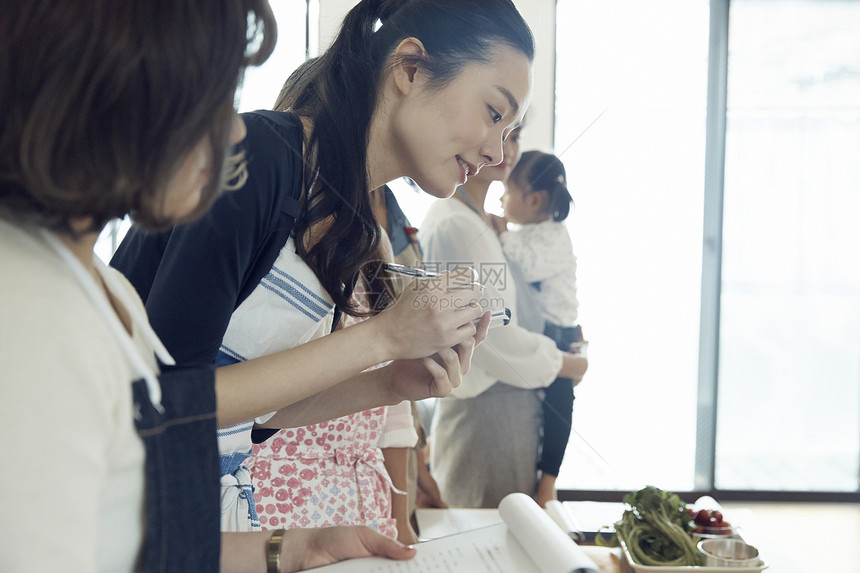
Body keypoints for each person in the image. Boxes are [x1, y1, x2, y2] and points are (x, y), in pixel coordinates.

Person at [0, 1, 468, 571]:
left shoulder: (97, 290)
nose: (234, 129)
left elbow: (125, 535)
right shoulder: (30, 311)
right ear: (107, 90)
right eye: (208, 93)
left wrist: (294, 547)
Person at [110, 0, 532, 535]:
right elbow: (166, 404)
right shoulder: (261, 157)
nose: (497, 151)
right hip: (112, 514)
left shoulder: (352, 227)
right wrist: (382, 338)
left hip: (201, 519)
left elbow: (256, 411)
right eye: (496, 113)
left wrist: (390, 383)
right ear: (410, 68)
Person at [419, 127, 589, 509]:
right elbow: (489, 335)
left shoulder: (481, 221)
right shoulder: (456, 224)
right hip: (488, 417)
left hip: (508, 408)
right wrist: (566, 362)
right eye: (496, 122)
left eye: (515, 133)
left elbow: (509, 306)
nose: (506, 146)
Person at [497, 150, 584, 508]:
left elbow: (529, 266)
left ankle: (549, 481)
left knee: (560, 407)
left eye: (506, 192)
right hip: (553, 326)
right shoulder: (533, 230)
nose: (501, 201)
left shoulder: (553, 236)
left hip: (560, 331)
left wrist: (501, 230)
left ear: (533, 199)